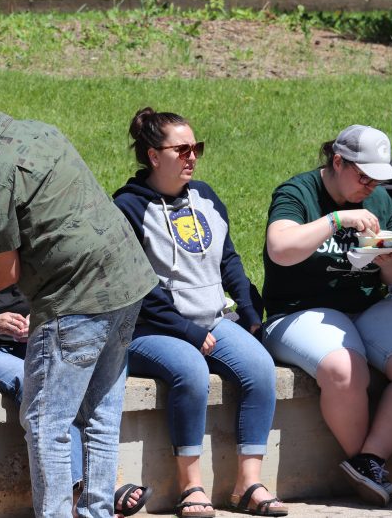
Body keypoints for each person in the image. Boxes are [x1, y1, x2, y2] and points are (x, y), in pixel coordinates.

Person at [0, 78, 157, 518]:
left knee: (47, 422)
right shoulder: (38, 130)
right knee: (101, 412)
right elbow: (15, 180)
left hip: (74, 298)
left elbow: (3, 271)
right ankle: (97, 513)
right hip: (127, 281)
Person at [0, 198, 151, 518]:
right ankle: (77, 491)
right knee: (31, 379)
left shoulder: (19, 229)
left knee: (73, 376)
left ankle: (94, 488)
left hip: (21, 340)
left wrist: (40, 320)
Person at [112, 108, 286, 517]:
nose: (192, 157)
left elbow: (229, 260)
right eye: (183, 149)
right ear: (154, 156)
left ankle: (248, 484)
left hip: (209, 319)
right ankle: (191, 486)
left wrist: (248, 312)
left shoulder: (204, 197)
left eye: (197, 148)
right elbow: (138, 285)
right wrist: (185, 330)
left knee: (260, 367)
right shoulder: (128, 208)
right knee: (190, 371)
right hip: (147, 328)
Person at [261, 125, 392, 507]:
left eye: (379, 178)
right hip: (300, 309)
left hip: (367, 305)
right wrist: (336, 221)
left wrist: (389, 261)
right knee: (345, 368)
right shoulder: (299, 191)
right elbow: (280, 248)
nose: (371, 186)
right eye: (364, 176)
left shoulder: (378, 199)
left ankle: (369, 461)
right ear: (338, 162)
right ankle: (363, 465)